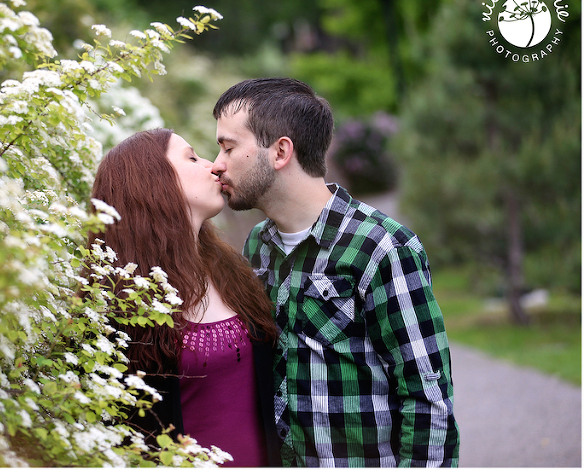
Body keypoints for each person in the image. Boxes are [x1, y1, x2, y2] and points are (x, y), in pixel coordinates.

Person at [210, 78, 460, 467]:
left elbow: (426, 396)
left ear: (280, 152)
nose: (217, 163)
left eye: (228, 147)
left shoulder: (381, 246)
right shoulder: (257, 245)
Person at [89, 128, 281, 466]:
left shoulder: (233, 273)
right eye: (191, 157)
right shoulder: (122, 305)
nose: (213, 166)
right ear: (153, 182)